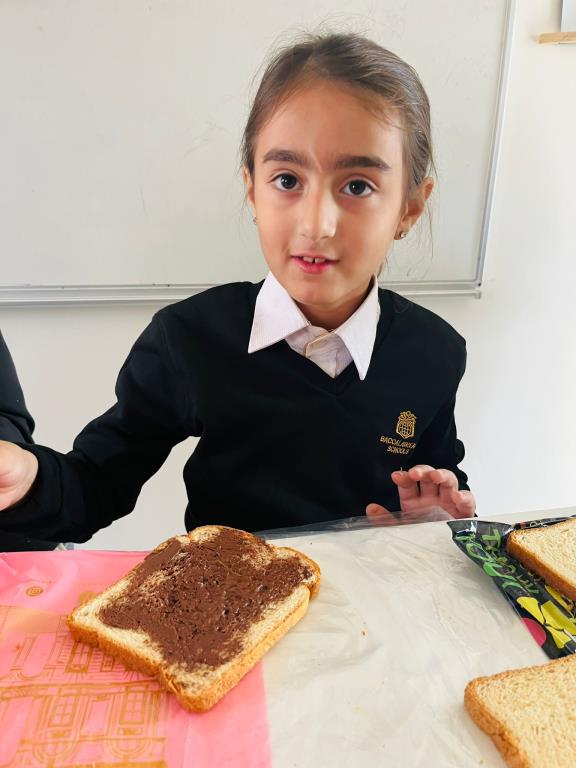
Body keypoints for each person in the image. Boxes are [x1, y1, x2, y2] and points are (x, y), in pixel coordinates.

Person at [0, 31, 476, 545]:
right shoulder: (188, 338)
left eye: (357, 186)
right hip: (228, 592)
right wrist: (29, 479)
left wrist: (434, 517)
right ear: (252, 189)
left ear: (410, 206)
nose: (316, 224)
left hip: (372, 591)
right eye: (287, 180)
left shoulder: (434, 351)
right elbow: (95, 481)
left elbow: (438, 477)